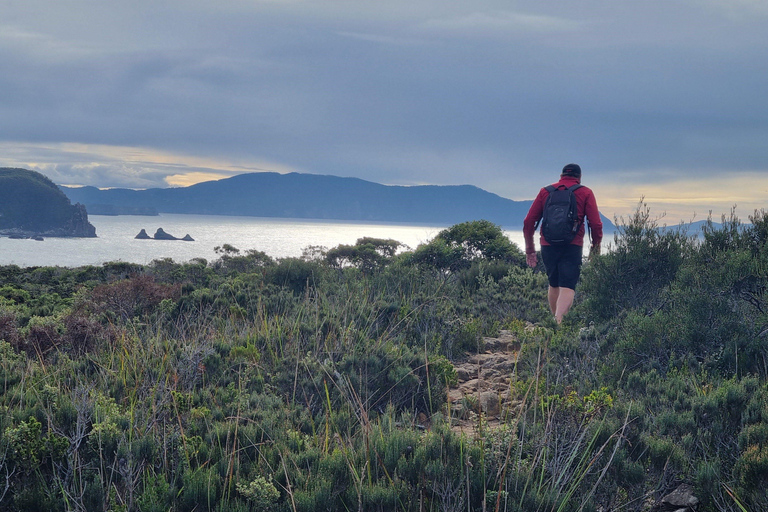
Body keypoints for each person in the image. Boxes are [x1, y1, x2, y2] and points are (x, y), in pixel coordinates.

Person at [523, 163, 603, 324]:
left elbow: (528, 221)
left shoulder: (545, 192)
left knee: (554, 283)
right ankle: (558, 323)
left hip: (547, 244)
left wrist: (530, 250)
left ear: (561, 176)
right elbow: (596, 224)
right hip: (572, 244)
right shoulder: (585, 192)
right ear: (579, 178)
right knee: (567, 285)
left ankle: (555, 323)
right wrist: (595, 247)